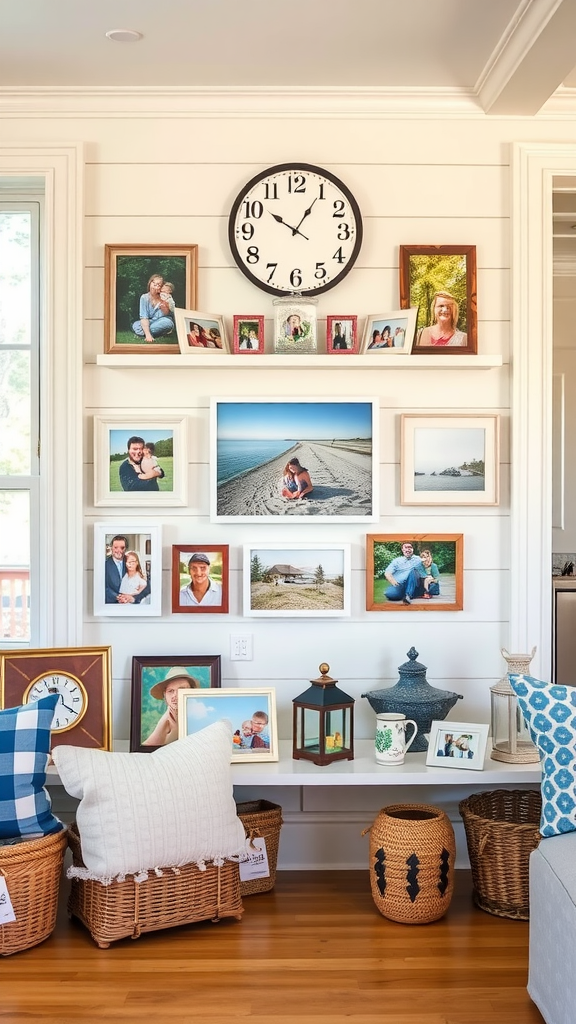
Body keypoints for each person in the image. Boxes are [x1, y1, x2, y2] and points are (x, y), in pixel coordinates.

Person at [142, 666, 201, 747]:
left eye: (181, 689)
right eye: (170, 691)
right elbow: (148, 745)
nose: (175, 696)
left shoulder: (199, 711)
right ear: (165, 695)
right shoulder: (167, 719)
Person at [105, 534, 150, 604]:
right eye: (116, 547)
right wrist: (118, 597)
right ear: (111, 548)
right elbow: (102, 586)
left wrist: (134, 598)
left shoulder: (132, 561)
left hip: (133, 606)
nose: (119, 550)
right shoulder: (104, 565)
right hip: (111, 605)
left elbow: (147, 587)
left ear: (125, 549)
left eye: (122, 548)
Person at [131, 274, 175, 342]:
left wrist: (165, 306)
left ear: (161, 287)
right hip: (150, 322)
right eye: (153, 283)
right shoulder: (144, 297)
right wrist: (148, 335)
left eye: (158, 285)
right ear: (150, 283)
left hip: (162, 320)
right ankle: (154, 333)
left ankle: (143, 333)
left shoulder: (164, 297)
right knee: (136, 325)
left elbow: (169, 312)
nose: (155, 286)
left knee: (168, 323)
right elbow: (144, 317)